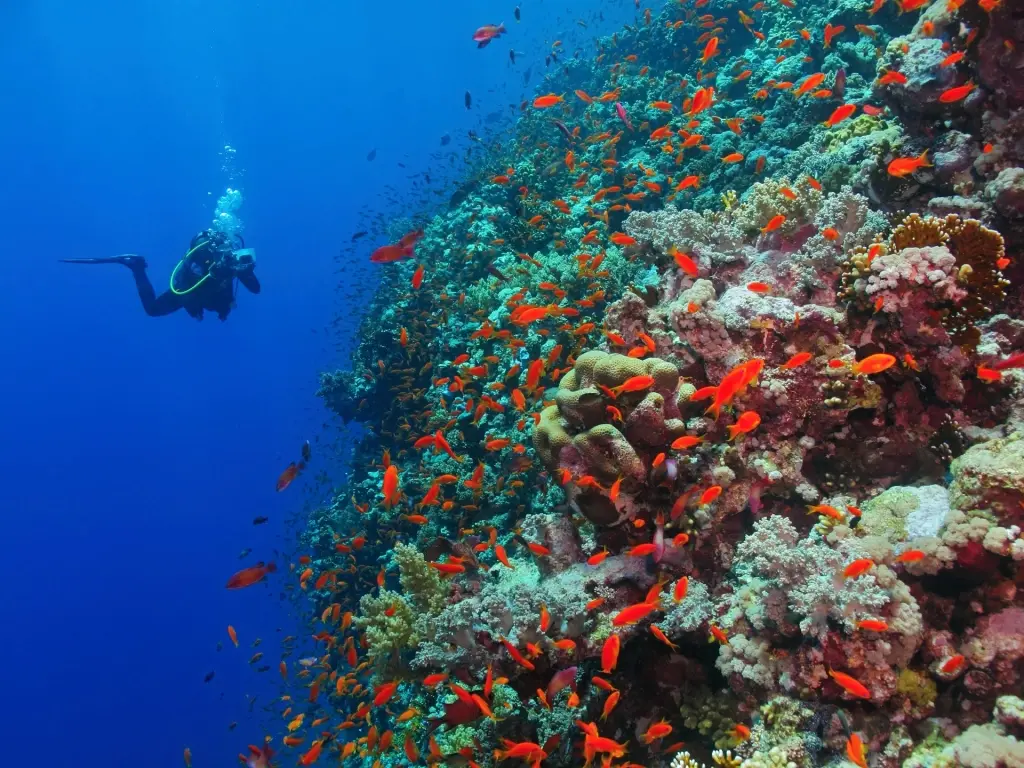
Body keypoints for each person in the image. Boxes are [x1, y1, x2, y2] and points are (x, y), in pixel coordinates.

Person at [60, 230, 260, 320]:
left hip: (193, 293)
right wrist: (220, 274)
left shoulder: (234, 267)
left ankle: (137, 266)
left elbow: (255, 288)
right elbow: (196, 292)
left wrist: (246, 271)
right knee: (153, 310)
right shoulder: (217, 269)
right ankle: (137, 267)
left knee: (156, 309)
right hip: (188, 290)